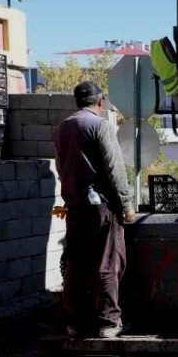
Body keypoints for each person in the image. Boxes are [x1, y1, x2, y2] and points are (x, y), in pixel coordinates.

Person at [53, 81, 136, 338]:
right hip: (100, 206)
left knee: (76, 265)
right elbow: (114, 167)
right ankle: (109, 323)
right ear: (100, 101)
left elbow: (61, 167)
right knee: (108, 263)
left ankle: (75, 323)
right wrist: (127, 204)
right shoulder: (100, 125)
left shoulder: (62, 128)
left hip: (74, 205)